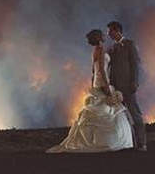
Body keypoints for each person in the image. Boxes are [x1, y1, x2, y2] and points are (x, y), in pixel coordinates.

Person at [46, 29, 133, 153]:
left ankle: (96, 140)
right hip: (103, 81)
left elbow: (94, 70)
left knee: (101, 111)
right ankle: (108, 142)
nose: (105, 35)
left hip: (97, 82)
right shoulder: (101, 50)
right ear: (99, 37)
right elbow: (102, 70)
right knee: (107, 112)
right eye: (103, 34)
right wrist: (107, 86)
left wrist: (94, 82)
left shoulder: (95, 50)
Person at [106, 21, 147, 151]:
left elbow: (136, 64)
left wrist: (135, 82)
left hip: (128, 87)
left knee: (135, 114)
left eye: (110, 31)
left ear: (117, 30)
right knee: (122, 117)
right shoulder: (112, 48)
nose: (108, 34)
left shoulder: (129, 44)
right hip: (116, 89)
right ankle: (130, 143)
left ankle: (142, 143)